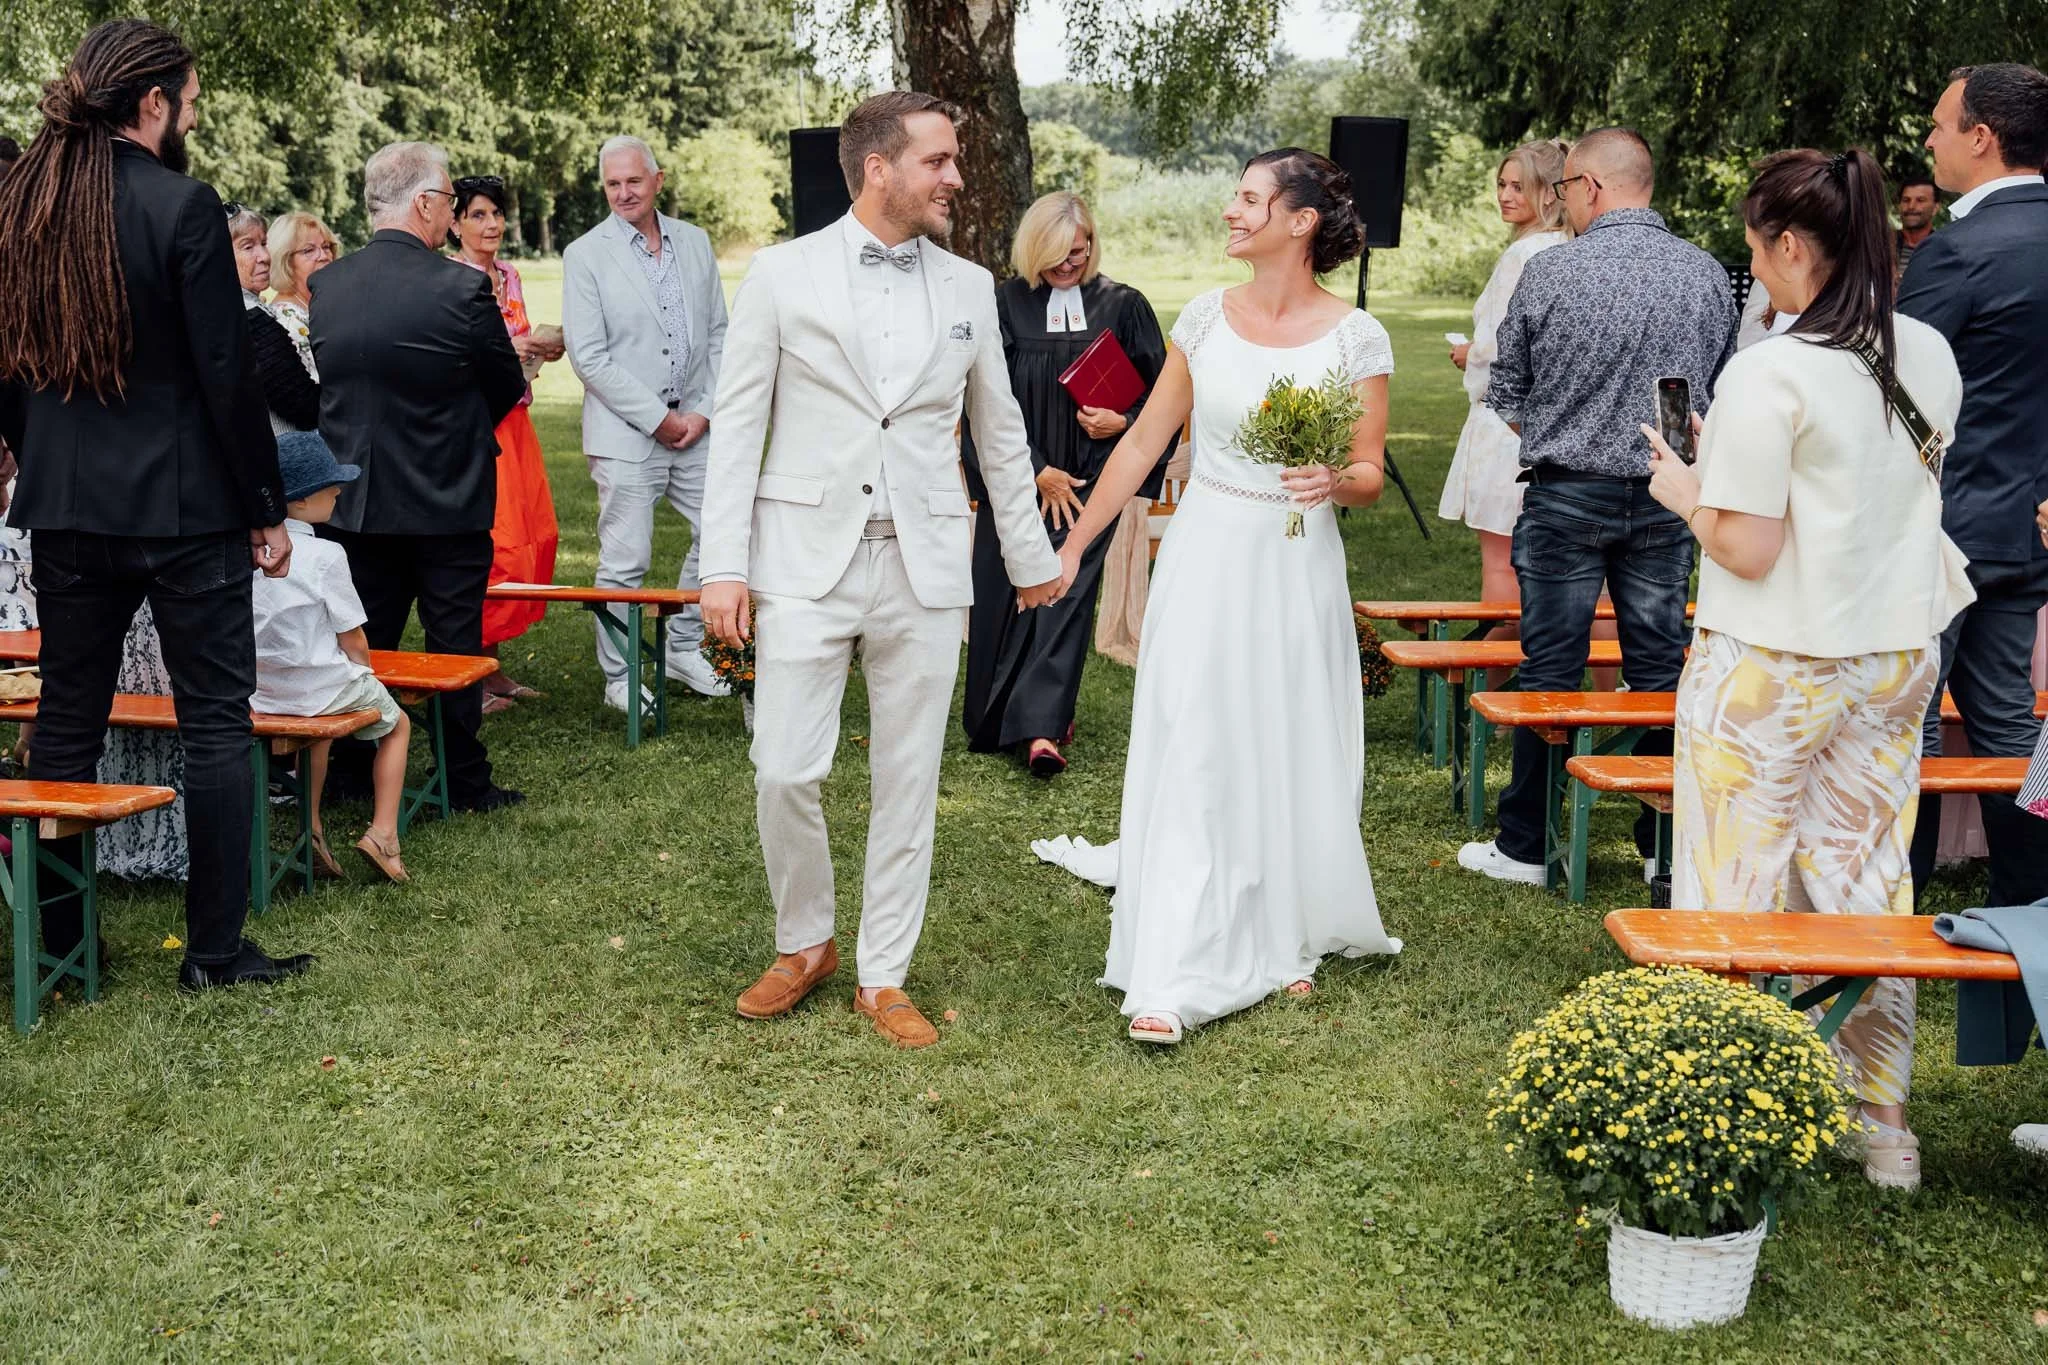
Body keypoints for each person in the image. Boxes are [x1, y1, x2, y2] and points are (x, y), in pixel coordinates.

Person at [698, 92, 1064, 1049]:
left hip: (928, 562)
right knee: (783, 766)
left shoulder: (970, 286)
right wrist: (722, 568)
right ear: (877, 169)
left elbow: (1000, 430)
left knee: (911, 776)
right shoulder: (780, 274)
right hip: (801, 563)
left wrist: (1029, 557)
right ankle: (803, 941)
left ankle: (883, 973)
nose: (954, 177)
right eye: (938, 161)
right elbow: (737, 428)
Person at [1644, 148, 1972, 1190]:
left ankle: (1728, 1106)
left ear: (1788, 245)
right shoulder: (1923, 351)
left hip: (1770, 662)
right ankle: (1879, 1125)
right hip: (1893, 657)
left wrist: (1682, 489)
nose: (1755, 270)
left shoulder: (1771, 366)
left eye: (1754, 250)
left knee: (1731, 877)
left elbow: (1743, 546)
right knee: (1867, 877)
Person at [1045, 148, 1404, 1044]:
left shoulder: (1357, 338)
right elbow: (1139, 450)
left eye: (1248, 199)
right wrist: (1074, 545)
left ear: (1299, 220)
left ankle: (1283, 929)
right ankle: (1174, 961)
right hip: (1206, 551)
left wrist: (1334, 478)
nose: (1230, 212)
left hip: (1294, 563)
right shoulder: (1204, 319)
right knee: (1197, 734)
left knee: (1281, 735)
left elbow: (1367, 471)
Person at [0, 18, 312, 990]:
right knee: (216, 721)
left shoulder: (24, 205)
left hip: (66, 508)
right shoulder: (183, 207)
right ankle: (214, 957)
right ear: (152, 103)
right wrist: (267, 506)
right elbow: (226, 376)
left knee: (66, 721)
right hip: (187, 514)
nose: (191, 114)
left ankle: (55, 945)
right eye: (189, 99)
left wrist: (35, 449)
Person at [1457, 127, 1737, 888]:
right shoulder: (1708, 275)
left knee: (1551, 665)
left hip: (1566, 491)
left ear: (1590, 187)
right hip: (1664, 490)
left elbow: (1504, 391)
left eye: (1567, 191)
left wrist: (1563, 434)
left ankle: (1527, 844)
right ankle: (1664, 846)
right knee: (1656, 666)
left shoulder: (1551, 273)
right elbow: (1713, 391)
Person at [309, 140, 527, 813]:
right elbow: (503, 384)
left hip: (359, 500)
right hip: (445, 497)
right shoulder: (461, 287)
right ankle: (463, 778)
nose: (453, 213)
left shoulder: (328, 285)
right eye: (450, 201)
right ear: (426, 203)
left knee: (362, 640)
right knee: (452, 642)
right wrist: (453, 434)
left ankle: (348, 767)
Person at [1901, 63, 2048, 911]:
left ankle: (1897, 905)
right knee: (2006, 724)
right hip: (2029, 530)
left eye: (1941, 125)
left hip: (1944, 532)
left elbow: (1895, 388)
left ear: (1982, 137)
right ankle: (2031, 900)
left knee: (1911, 722)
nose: (1930, 140)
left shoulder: (1957, 250)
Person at [960, 191, 1166, 775]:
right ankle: (1000, 716)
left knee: (1065, 595)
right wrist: (1034, 471)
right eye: (1058, 255)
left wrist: (1122, 421)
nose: (1071, 264)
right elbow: (978, 400)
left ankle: (1042, 730)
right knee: (1005, 590)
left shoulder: (1123, 305)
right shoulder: (1002, 304)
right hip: (1018, 474)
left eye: (1081, 252)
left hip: (1089, 481)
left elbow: (1161, 396)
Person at [563, 135, 730, 709]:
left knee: (724, 532)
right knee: (625, 559)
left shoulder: (695, 241)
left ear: (658, 180)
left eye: (633, 181)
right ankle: (620, 675)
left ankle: (683, 646)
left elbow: (718, 334)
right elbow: (589, 356)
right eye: (612, 184)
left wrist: (703, 411)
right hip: (627, 433)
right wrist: (659, 420)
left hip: (698, 426)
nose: (623, 193)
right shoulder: (585, 254)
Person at [253, 434, 412, 882]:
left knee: (317, 735)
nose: (339, 492)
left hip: (262, 690)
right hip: (319, 687)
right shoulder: (326, 554)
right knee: (398, 726)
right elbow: (353, 636)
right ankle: (383, 834)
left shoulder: (247, 551)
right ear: (301, 502)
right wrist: (366, 674)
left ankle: (314, 829)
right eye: (330, 487)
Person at [1438, 139, 1571, 613]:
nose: (1505, 195)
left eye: (1519, 186)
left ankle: (1493, 681)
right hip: (1558, 418)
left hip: (1506, 420)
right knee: (1582, 571)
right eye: (1501, 184)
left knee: (1501, 564)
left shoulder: (1524, 254)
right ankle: (1608, 683)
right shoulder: (1573, 248)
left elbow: (1504, 345)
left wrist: (1469, 353)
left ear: (1551, 194)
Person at [450, 172, 562, 710]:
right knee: (491, 545)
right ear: (454, 223)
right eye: (477, 214)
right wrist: (511, 349)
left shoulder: (511, 275)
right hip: (478, 423)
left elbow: (519, 351)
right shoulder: (448, 277)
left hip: (517, 419)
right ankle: (471, 671)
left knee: (532, 535)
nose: (490, 223)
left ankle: (493, 665)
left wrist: (540, 350)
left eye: (496, 213)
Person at [227, 204, 321, 434]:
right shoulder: (249, 319)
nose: (264, 257)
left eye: (264, 244)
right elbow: (303, 404)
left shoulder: (240, 309)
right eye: (248, 247)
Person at [264, 209, 337, 363]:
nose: (324, 256)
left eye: (326, 247)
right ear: (286, 262)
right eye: (308, 250)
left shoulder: (319, 306)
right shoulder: (287, 319)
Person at [1894, 173, 1938, 277]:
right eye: (1906, 200)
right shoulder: (1883, 245)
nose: (1911, 206)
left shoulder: (1943, 250)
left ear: (1935, 208)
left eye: (1920, 200)